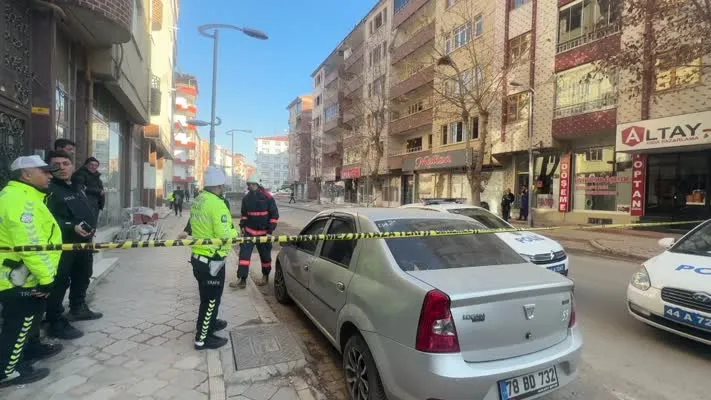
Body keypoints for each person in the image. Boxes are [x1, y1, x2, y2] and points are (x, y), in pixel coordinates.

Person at [0, 155, 64, 387]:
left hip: (21, 275)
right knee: (19, 323)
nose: (49, 176)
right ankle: (8, 371)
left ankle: (28, 352)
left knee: (26, 322)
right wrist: (46, 279)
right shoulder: (20, 200)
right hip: (19, 278)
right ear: (26, 174)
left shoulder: (23, 196)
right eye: (44, 171)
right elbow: (30, 244)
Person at [45, 151, 103, 340]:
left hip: (83, 243)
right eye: (56, 164)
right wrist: (71, 226)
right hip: (63, 245)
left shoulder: (77, 186)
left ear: (72, 166)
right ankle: (55, 321)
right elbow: (47, 220)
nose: (61, 168)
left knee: (83, 275)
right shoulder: (49, 190)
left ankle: (78, 308)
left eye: (66, 163)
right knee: (60, 282)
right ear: (49, 167)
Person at [182, 167, 237, 350]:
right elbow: (224, 234)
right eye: (222, 186)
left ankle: (210, 323)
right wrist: (235, 232)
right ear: (219, 185)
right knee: (211, 300)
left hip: (199, 257)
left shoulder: (199, 200)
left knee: (209, 298)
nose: (223, 189)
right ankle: (202, 338)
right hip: (212, 259)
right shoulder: (217, 204)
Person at [232, 179, 279, 289]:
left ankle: (265, 276)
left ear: (258, 184)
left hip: (264, 234)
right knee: (244, 256)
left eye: (253, 184)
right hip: (250, 232)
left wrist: (269, 231)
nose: (251, 186)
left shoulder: (268, 197)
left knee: (265, 256)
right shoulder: (246, 198)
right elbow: (244, 215)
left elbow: (274, 216)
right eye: (249, 184)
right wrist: (243, 226)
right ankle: (242, 279)